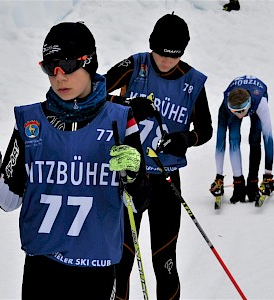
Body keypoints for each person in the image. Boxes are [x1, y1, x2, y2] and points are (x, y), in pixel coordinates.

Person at [0, 21, 150, 299]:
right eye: (49, 67)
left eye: (67, 65)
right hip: (42, 267)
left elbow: (139, 201)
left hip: (95, 268)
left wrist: (133, 175)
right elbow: (9, 200)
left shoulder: (120, 120)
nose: (59, 77)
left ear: (89, 63)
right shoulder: (31, 122)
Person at [105, 12, 213, 300]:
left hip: (166, 180)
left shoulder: (193, 81)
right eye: (160, 53)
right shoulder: (135, 64)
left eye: (173, 56)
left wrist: (185, 139)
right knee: (121, 260)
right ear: (151, 45)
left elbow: (206, 130)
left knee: (164, 262)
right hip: (130, 178)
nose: (165, 61)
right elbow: (91, 94)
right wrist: (127, 103)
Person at [209, 75, 274, 203]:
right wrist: (219, 177)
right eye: (234, 111)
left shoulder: (260, 103)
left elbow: (268, 139)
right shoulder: (226, 106)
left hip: (256, 98)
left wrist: (268, 175)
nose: (239, 115)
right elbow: (220, 143)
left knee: (255, 139)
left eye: (241, 111)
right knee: (233, 139)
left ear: (248, 104)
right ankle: (238, 182)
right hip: (239, 101)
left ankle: (252, 181)